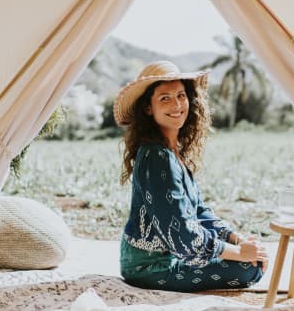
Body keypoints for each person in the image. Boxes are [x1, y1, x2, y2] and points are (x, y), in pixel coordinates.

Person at [113, 60, 269, 292]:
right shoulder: (156, 156)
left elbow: (199, 212)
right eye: (165, 98)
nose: (176, 105)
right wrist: (239, 253)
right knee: (249, 267)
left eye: (181, 95)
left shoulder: (172, 151)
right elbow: (183, 235)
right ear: (148, 108)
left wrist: (237, 239)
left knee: (249, 259)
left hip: (173, 254)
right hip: (150, 265)